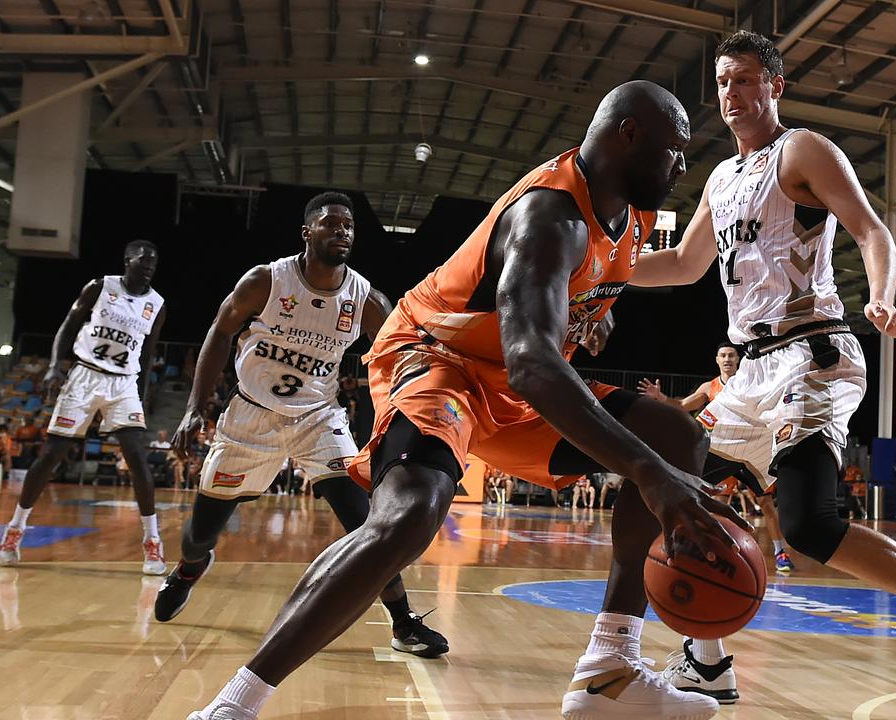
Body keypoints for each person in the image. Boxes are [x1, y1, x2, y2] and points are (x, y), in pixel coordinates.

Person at [187, 81, 744, 720]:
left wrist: (588, 317)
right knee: (409, 514)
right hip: (434, 358)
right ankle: (232, 706)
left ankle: (608, 671)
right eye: (674, 150)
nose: (681, 166)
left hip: (506, 373)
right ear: (628, 135)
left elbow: (561, 318)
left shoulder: (633, 214)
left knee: (681, 438)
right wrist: (647, 473)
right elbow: (535, 364)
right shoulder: (549, 217)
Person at [629, 30, 896, 718]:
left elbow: (871, 231)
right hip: (749, 375)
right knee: (673, 490)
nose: (731, 94)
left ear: (776, 86)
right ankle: (706, 663)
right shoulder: (720, 177)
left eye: (744, 80)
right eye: (723, 82)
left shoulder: (800, 151)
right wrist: (595, 272)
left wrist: (881, 295)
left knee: (810, 528)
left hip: (812, 353)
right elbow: (683, 263)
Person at [154, 192, 447, 658]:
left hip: (319, 417)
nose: (342, 232)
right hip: (251, 415)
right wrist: (195, 406)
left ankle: (402, 621)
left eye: (349, 226)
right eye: (330, 224)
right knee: (200, 535)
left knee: (367, 522)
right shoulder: (266, 281)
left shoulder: (366, 299)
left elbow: (400, 353)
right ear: (307, 232)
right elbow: (219, 332)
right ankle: (189, 568)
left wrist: (401, 415)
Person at [0, 240, 168, 573]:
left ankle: (153, 542)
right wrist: (53, 366)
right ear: (127, 260)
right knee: (51, 455)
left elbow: (147, 354)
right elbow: (68, 326)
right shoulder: (101, 287)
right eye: (143, 260)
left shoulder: (157, 305)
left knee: (136, 455)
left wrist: (143, 394)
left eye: (154, 263)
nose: (149, 267)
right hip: (85, 376)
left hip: (124, 383)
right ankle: (15, 529)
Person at [639, 341, 795, 573]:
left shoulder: (750, 381)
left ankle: (780, 552)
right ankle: (716, 550)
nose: (727, 359)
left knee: (766, 505)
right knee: (719, 504)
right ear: (717, 360)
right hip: (724, 452)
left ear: (739, 359)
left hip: (751, 451)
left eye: (731, 355)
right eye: (723, 355)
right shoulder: (709, 387)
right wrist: (662, 398)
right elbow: (683, 405)